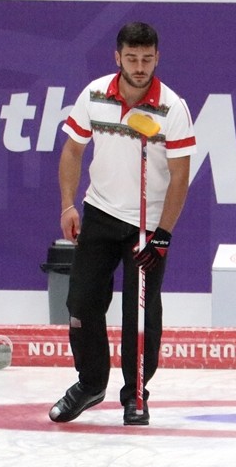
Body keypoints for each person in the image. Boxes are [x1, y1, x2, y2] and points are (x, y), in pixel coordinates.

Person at [48, 22, 196, 427]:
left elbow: (181, 176)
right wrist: (67, 205)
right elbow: (72, 152)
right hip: (99, 214)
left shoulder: (172, 107)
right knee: (81, 304)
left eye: (147, 59)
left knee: (141, 314)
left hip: (147, 227)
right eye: (132, 58)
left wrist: (163, 235)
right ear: (118, 57)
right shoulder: (94, 95)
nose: (140, 66)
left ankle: (136, 395)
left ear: (157, 58)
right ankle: (91, 383)